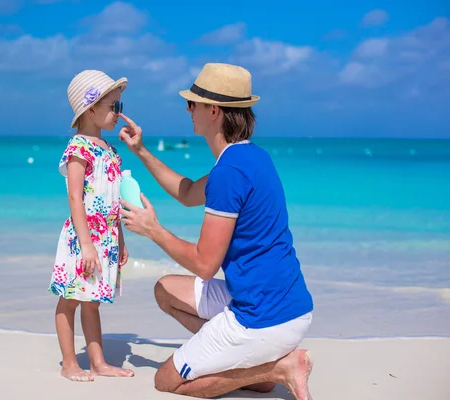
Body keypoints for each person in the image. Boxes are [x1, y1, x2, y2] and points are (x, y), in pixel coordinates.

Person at [118, 63, 314, 399]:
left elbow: (206, 265)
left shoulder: (229, 172)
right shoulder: (251, 157)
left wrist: (153, 230)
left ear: (213, 111)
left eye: (192, 103)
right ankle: (253, 365)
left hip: (262, 314)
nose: (187, 109)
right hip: (290, 305)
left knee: (167, 381)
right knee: (165, 290)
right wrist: (141, 151)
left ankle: (275, 368)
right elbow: (188, 192)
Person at [48, 70, 134, 382]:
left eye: (119, 106)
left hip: (106, 237)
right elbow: (74, 197)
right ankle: (69, 363)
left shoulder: (110, 151)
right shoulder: (79, 147)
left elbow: (113, 201)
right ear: (91, 109)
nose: (119, 113)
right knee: (70, 297)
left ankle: (97, 361)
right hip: (82, 237)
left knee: (92, 300)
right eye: (114, 106)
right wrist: (85, 243)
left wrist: (121, 239)